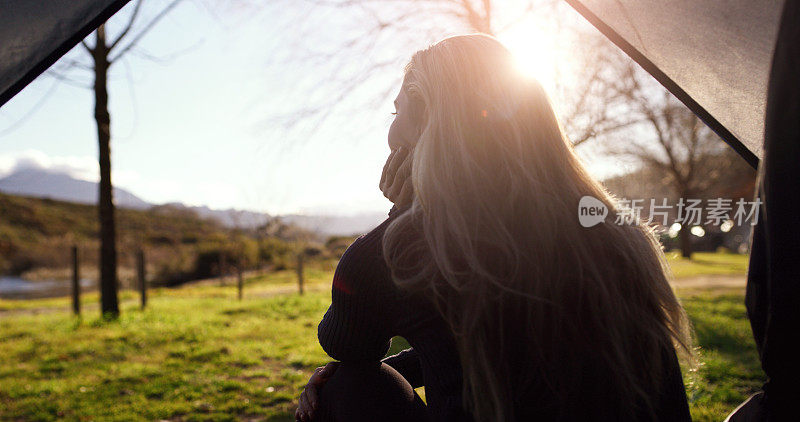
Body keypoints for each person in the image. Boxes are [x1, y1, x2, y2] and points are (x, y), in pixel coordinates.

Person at [295, 33, 693, 421]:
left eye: (399, 113)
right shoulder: (612, 234)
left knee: (344, 386)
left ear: (434, 126)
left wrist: (403, 215)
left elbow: (344, 342)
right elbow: (495, 349)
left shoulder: (405, 251)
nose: (392, 134)